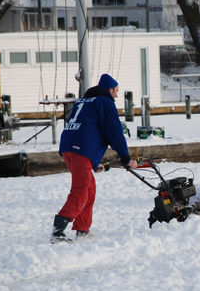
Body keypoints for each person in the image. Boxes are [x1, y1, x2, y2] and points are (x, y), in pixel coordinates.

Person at [51, 74, 137, 243]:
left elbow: (87, 127)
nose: (117, 95)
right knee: (81, 190)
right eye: (116, 91)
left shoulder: (83, 101)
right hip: (80, 150)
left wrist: (94, 161)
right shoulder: (105, 102)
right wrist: (125, 158)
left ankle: (82, 230)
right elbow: (114, 132)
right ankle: (58, 229)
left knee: (89, 189)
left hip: (69, 147)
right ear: (110, 89)